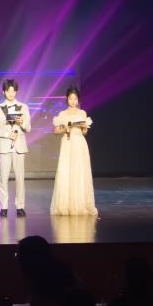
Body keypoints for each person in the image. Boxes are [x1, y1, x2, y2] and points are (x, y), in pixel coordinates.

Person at [51, 86, 97, 216]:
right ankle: (65, 205)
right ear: (67, 99)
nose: (73, 101)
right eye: (71, 98)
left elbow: (84, 132)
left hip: (79, 144)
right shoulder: (62, 114)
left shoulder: (82, 113)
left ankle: (80, 204)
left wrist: (84, 127)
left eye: (75, 99)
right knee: (66, 171)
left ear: (78, 100)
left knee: (79, 172)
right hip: (67, 142)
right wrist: (65, 128)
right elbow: (56, 131)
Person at [0, 79, 31, 217]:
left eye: (13, 91)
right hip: (4, 146)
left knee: (20, 178)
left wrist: (22, 122)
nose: (11, 93)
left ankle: (20, 206)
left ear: (16, 92)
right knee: (3, 178)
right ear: (4, 92)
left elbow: (28, 128)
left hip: (19, 146)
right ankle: (4, 207)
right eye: (8, 91)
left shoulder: (23, 107)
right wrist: (7, 134)